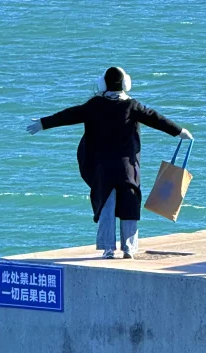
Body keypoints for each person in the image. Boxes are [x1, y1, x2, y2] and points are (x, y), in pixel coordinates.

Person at [27, 67, 193, 259]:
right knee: (130, 205)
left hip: (102, 168)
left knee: (106, 205)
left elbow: (69, 115)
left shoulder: (94, 105)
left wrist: (43, 123)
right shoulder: (132, 106)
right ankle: (129, 248)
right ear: (125, 84)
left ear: (103, 84)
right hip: (127, 168)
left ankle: (108, 249)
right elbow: (156, 119)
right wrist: (179, 131)